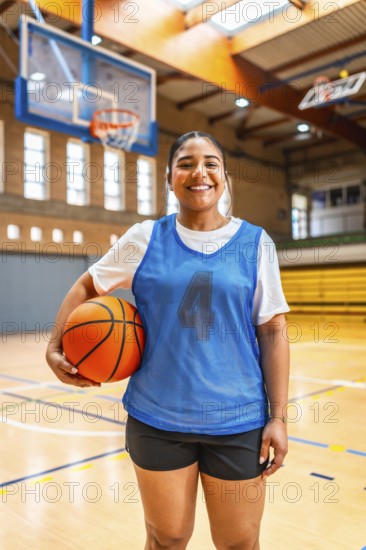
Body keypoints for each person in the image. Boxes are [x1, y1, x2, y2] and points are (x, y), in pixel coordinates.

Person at [46, 131, 290, 550]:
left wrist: (278, 417)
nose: (200, 173)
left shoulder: (255, 243)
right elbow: (87, 286)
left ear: (224, 176)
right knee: (167, 537)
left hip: (237, 421)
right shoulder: (144, 237)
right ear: (170, 177)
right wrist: (56, 345)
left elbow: (273, 332)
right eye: (186, 163)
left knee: (239, 543)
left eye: (211, 163)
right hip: (158, 420)